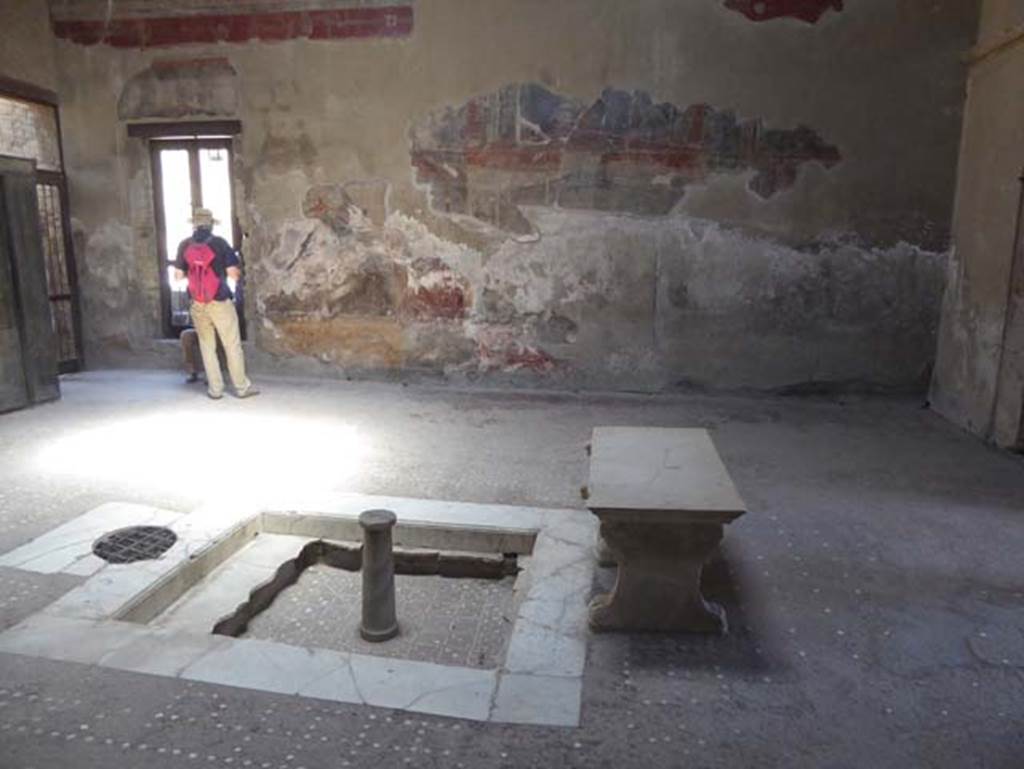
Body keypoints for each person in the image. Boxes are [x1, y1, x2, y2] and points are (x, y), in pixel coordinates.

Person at [173, 208, 258, 399]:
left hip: (197, 303)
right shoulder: (220, 244)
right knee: (232, 345)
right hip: (219, 301)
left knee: (206, 346)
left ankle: (215, 390)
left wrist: (194, 274)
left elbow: (177, 276)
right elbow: (233, 274)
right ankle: (241, 388)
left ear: (194, 225)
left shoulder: (184, 245)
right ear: (211, 224)